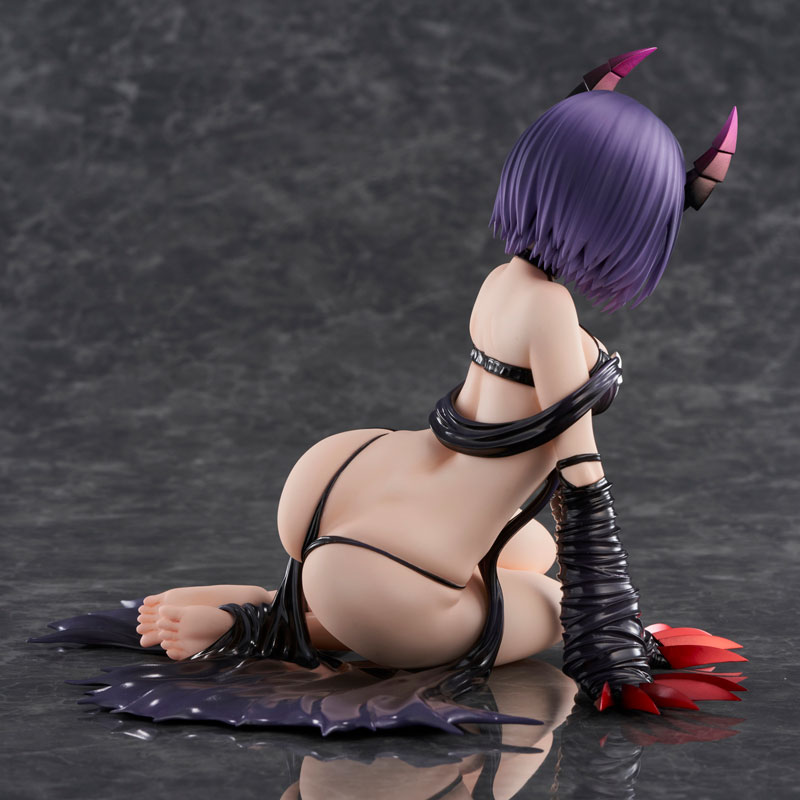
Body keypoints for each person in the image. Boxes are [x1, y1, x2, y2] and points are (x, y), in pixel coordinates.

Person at [32, 48, 745, 725]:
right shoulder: (552, 311)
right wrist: (613, 633)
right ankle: (265, 622)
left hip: (347, 485)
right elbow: (580, 473)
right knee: (554, 602)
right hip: (389, 577)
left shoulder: (504, 281)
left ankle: (291, 607)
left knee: (529, 551)